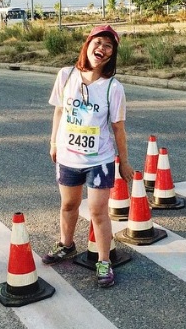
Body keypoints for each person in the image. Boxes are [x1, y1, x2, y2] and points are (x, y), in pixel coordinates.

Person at [42, 24, 135, 288]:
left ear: (112, 54)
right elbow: (59, 111)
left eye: (108, 46)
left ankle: (104, 261)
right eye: (98, 43)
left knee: (98, 212)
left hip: (100, 160)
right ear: (88, 44)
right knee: (68, 205)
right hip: (68, 157)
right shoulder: (65, 75)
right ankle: (66, 244)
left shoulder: (113, 88)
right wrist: (53, 142)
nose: (102, 49)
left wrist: (124, 162)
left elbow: (118, 128)